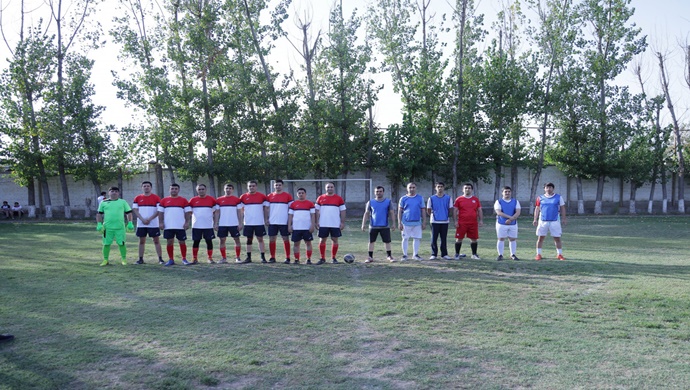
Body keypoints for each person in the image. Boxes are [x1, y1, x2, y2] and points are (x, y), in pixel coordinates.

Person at [96, 186, 134, 266]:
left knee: (121, 243)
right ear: (109, 192)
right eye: (112, 191)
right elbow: (99, 214)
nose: (114, 193)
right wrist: (99, 224)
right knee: (106, 244)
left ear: (118, 193)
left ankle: (124, 259)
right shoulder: (103, 202)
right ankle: (105, 260)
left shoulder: (123, 202)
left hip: (120, 227)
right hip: (107, 228)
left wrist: (130, 222)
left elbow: (129, 212)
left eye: (116, 191)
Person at [158, 183, 192, 266]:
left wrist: (187, 222)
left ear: (178, 190)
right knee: (169, 242)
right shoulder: (164, 200)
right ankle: (171, 259)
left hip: (180, 226)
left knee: (182, 242)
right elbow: (160, 212)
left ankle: (184, 259)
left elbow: (188, 212)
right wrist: (161, 222)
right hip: (168, 225)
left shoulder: (183, 200)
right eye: (172, 188)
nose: (174, 190)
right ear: (169, 190)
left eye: (175, 189)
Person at [131, 181, 164, 264]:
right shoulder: (137, 198)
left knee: (156, 240)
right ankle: (140, 259)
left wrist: (149, 219)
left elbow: (158, 210)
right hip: (141, 224)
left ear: (151, 187)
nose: (146, 187)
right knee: (142, 241)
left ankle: (160, 259)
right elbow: (135, 210)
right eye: (144, 186)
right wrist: (142, 219)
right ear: (142, 187)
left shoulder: (156, 198)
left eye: (148, 186)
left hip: (153, 224)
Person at [361, 186, 396, 263]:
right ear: (374, 192)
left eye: (380, 191)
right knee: (371, 241)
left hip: (385, 226)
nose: (378, 193)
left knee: (387, 242)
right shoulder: (370, 202)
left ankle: (389, 256)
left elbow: (392, 212)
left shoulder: (388, 201)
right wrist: (363, 224)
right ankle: (370, 257)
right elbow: (366, 213)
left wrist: (394, 223)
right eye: (377, 191)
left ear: (383, 192)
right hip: (373, 226)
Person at [533, 182, 567, 261]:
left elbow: (562, 208)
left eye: (550, 187)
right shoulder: (540, 198)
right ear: (544, 188)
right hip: (543, 221)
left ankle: (559, 254)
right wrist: (535, 219)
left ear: (553, 188)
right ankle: (538, 254)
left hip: (555, 220)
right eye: (547, 187)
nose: (548, 189)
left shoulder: (558, 197)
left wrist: (564, 218)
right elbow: (537, 209)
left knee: (557, 238)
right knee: (540, 238)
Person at [315, 182, 346, 264]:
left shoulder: (339, 198)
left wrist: (342, 222)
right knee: (322, 240)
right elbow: (316, 211)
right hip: (323, 223)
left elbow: (343, 210)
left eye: (331, 187)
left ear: (334, 188)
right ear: (325, 188)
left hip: (335, 223)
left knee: (335, 239)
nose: (330, 188)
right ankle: (322, 258)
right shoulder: (320, 198)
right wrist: (316, 221)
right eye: (328, 187)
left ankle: (333, 258)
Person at [238, 180, 269, 263]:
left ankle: (263, 257)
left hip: (259, 222)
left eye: (253, 186)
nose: (251, 187)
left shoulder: (262, 196)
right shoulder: (243, 197)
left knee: (260, 239)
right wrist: (240, 222)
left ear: (256, 187)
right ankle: (248, 258)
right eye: (250, 186)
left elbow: (265, 209)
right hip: (248, 222)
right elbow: (241, 210)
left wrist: (266, 219)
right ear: (247, 187)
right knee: (249, 239)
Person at [189, 184, 219, 264]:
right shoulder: (193, 200)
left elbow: (216, 212)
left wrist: (215, 223)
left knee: (209, 241)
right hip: (196, 225)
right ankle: (194, 258)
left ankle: (210, 258)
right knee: (196, 242)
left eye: (202, 189)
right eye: (199, 189)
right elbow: (189, 212)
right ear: (197, 190)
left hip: (208, 225)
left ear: (206, 190)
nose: (201, 191)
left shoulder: (212, 200)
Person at [215, 183, 244, 263]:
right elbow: (217, 212)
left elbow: (239, 212)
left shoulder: (237, 200)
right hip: (222, 224)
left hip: (234, 224)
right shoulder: (219, 200)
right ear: (224, 189)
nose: (228, 190)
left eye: (230, 188)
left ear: (232, 190)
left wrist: (240, 223)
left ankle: (237, 257)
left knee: (237, 240)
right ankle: (223, 258)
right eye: (226, 188)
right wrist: (215, 223)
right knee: (222, 240)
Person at [454, 183, 483, 260]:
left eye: (469, 188)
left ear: (472, 190)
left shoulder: (475, 199)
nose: (467, 189)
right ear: (463, 190)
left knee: (474, 239)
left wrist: (481, 220)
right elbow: (455, 210)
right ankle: (457, 254)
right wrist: (455, 221)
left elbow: (479, 210)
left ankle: (474, 254)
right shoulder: (459, 199)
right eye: (466, 188)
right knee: (459, 238)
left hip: (473, 223)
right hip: (462, 223)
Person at [267, 179, 294, 263]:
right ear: (273, 186)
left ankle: (287, 257)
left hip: (284, 222)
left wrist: (291, 221)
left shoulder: (288, 196)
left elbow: (291, 209)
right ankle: (272, 257)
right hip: (272, 222)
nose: (278, 186)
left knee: (285, 239)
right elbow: (266, 209)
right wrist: (267, 219)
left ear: (282, 186)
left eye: (279, 185)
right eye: (276, 185)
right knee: (272, 239)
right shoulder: (269, 196)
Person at [398, 182, 426, 261]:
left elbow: (423, 210)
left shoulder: (420, 198)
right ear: (407, 188)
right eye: (410, 187)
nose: (412, 189)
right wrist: (399, 222)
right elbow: (400, 211)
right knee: (405, 238)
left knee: (417, 238)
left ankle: (415, 255)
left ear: (416, 188)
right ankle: (405, 255)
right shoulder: (403, 198)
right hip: (406, 222)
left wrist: (424, 222)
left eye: (413, 187)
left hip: (417, 222)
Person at [287, 187, 316, 264]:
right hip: (296, 228)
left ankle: (309, 259)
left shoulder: (310, 204)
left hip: (307, 228)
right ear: (297, 194)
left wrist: (312, 225)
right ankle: (297, 259)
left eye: (302, 193)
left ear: (305, 194)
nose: (301, 194)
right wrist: (289, 226)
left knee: (308, 243)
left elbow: (313, 215)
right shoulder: (293, 204)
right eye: (299, 193)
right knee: (296, 244)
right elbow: (290, 216)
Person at [426, 182, 453, 260]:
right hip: (434, 221)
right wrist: (433, 215)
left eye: (441, 186)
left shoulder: (448, 198)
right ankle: (434, 254)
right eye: (438, 187)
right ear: (435, 188)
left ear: (444, 188)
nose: (440, 188)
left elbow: (450, 208)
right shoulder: (431, 198)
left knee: (443, 238)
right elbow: (428, 209)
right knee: (434, 238)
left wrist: (446, 215)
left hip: (445, 221)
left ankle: (444, 254)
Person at [494, 186, 521, 261]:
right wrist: (510, 217)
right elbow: (499, 212)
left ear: (511, 192)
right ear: (502, 193)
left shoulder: (516, 201)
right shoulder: (498, 202)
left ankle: (512, 254)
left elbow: (518, 212)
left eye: (509, 191)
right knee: (501, 238)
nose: (507, 193)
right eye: (505, 191)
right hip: (501, 223)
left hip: (513, 224)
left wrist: (511, 219)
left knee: (512, 239)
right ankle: (500, 255)